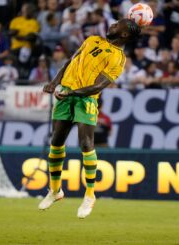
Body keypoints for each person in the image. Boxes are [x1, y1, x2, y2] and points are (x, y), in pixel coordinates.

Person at [38, 18, 141, 218]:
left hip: (85, 99)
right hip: (65, 93)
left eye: (117, 24)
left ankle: (90, 195)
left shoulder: (118, 58)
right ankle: (55, 190)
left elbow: (97, 87)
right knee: (56, 141)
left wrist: (71, 93)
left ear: (125, 34)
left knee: (86, 143)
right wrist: (53, 82)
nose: (112, 25)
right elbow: (70, 61)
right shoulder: (92, 39)